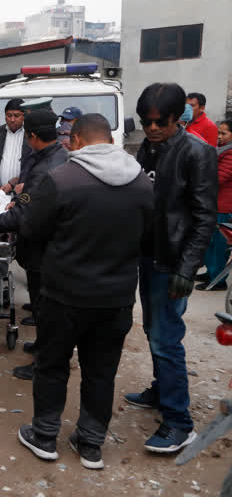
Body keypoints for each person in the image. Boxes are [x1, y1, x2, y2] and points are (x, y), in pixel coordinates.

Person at [0, 113, 153, 469]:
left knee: (52, 366)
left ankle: (45, 436)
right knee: (101, 371)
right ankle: (91, 444)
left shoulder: (62, 180)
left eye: (70, 138)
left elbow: (33, 230)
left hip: (64, 295)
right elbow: (150, 241)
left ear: (81, 139)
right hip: (115, 299)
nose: (67, 143)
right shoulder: (142, 184)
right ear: (110, 140)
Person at [125, 83, 217, 453]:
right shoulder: (148, 148)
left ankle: (180, 422)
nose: (151, 127)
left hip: (172, 262)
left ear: (178, 118)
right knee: (151, 330)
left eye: (159, 122)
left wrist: (188, 266)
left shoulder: (197, 153)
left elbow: (204, 216)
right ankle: (161, 391)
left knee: (166, 338)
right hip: (147, 256)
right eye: (146, 121)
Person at [0, 109, 68, 380]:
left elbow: (22, 217)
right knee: (44, 307)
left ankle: (44, 365)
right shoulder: (55, 156)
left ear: (31, 136)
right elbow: (31, 202)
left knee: (46, 310)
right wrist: (20, 199)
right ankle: (44, 348)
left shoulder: (44, 167)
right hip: (49, 245)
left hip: (44, 250)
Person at [196, 118, 232, 291]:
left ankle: (219, 280)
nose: (219, 136)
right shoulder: (222, 151)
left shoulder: (230, 154)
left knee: (219, 246)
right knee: (210, 242)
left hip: (224, 207)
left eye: (224, 133)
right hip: (215, 205)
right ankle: (211, 272)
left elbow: (218, 178)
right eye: (219, 132)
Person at [0, 98, 32, 193]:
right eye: (9, 115)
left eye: (16, 116)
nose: (12, 120)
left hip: (22, 192)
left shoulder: (30, 134)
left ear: (24, 116)